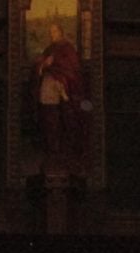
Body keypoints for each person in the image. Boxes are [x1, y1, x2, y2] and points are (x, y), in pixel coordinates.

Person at [34, 23, 87, 160]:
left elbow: (73, 69)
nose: (52, 34)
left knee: (67, 116)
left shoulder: (68, 48)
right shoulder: (49, 49)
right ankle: (53, 147)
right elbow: (41, 65)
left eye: (55, 31)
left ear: (61, 32)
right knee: (49, 116)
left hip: (65, 86)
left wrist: (54, 63)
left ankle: (67, 148)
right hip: (50, 85)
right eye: (50, 32)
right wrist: (44, 65)